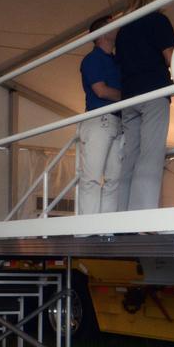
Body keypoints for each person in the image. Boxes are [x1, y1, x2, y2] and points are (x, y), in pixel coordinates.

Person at [114, 0, 174, 212]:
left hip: (129, 95)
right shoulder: (158, 21)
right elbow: (171, 57)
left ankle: (124, 213)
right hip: (154, 90)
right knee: (151, 152)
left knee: (131, 155)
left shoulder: (123, 30)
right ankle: (143, 213)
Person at [76, 16, 125, 215]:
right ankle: (87, 230)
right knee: (93, 177)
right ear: (103, 33)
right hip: (100, 119)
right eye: (112, 25)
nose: (118, 28)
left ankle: (106, 228)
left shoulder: (116, 60)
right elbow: (101, 91)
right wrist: (129, 96)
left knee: (114, 178)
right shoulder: (92, 59)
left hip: (115, 119)